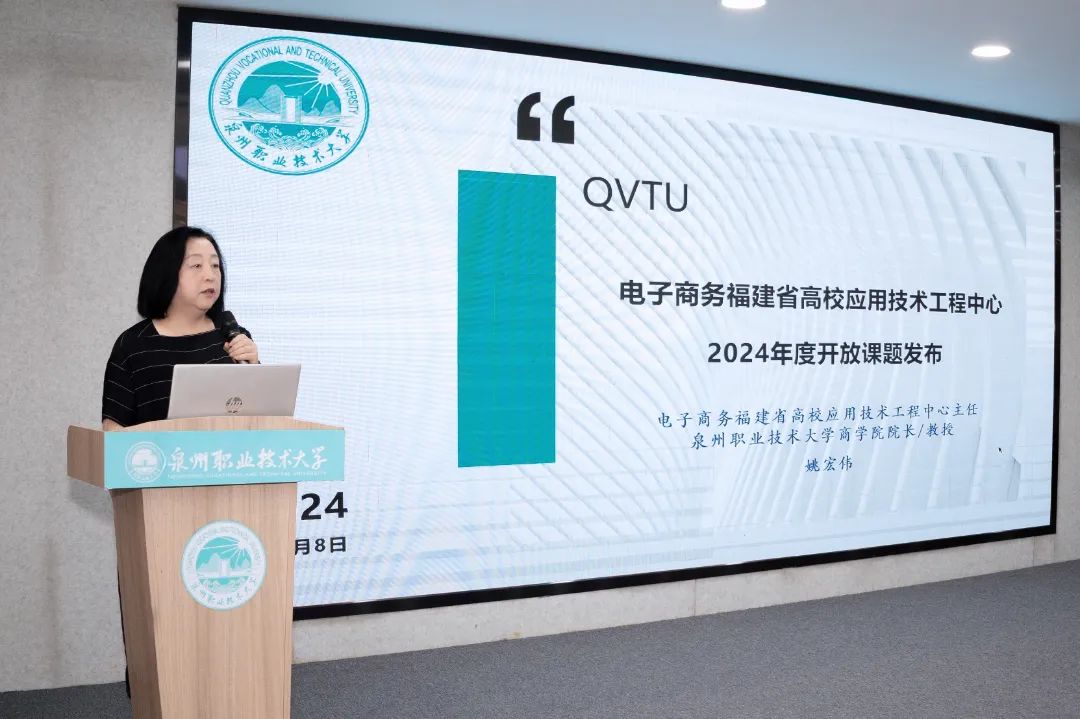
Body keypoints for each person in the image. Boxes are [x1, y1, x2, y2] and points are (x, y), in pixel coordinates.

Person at [102, 225, 259, 430]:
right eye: (196, 265)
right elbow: (113, 431)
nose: (210, 275)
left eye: (215, 265)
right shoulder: (133, 345)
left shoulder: (232, 336)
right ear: (166, 273)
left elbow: (259, 422)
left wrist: (254, 367)